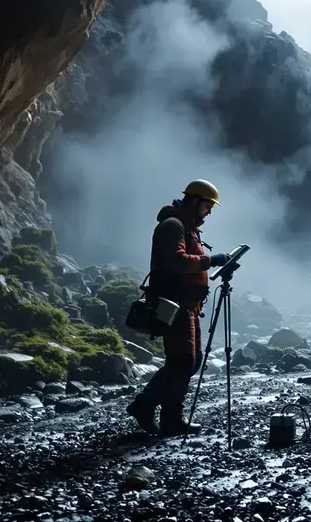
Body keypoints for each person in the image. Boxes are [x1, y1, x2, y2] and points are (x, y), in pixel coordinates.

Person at [127, 179, 232, 437]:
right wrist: (211, 260)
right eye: (208, 206)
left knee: (190, 362)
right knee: (182, 361)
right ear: (195, 201)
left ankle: (170, 417)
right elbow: (176, 261)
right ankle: (146, 406)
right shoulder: (172, 226)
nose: (209, 211)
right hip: (172, 305)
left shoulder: (188, 228)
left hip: (188, 305)